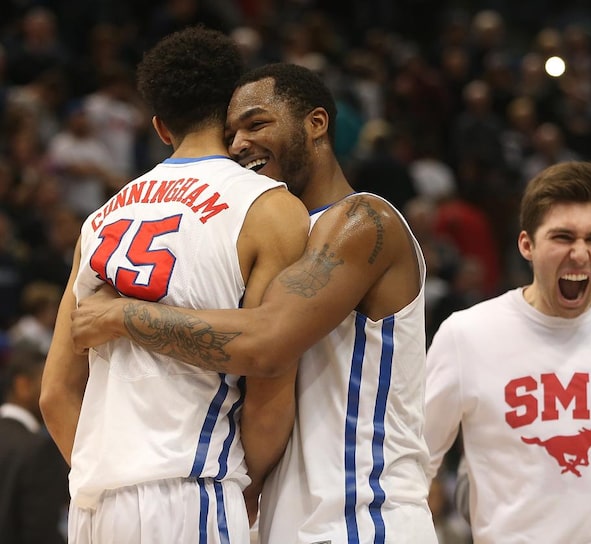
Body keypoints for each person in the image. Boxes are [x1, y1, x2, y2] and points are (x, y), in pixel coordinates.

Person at [70, 62, 439, 544]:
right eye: (230, 133)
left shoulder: (362, 220)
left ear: (317, 124)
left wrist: (123, 314)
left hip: (363, 515)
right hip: (286, 521)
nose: (240, 143)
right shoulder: (267, 233)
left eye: (257, 123)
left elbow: (266, 342)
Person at [39, 28, 309, 543]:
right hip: (194, 489)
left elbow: (55, 394)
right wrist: (241, 489)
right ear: (233, 109)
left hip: (93, 504)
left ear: (160, 126)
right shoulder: (268, 207)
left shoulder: (97, 220)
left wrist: (110, 474)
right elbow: (269, 386)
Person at [423, 161, 591, 543]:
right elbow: (414, 467)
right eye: (563, 237)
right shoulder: (466, 335)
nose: (580, 253)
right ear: (527, 245)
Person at [0, 345, 69, 543]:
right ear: (22, 385)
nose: (56, 393)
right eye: (46, 382)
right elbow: (41, 533)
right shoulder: (38, 449)